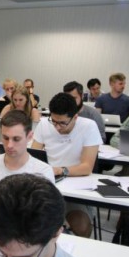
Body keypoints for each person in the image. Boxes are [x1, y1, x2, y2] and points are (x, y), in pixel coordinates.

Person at [31, 93, 103, 237]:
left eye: (62, 123)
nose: (57, 127)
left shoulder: (89, 126)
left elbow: (87, 167)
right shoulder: (44, 124)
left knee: (82, 226)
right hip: (49, 183)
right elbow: (34, 156)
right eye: (54, 121)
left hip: (76, 184)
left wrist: (60, 170)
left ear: (75, 117)